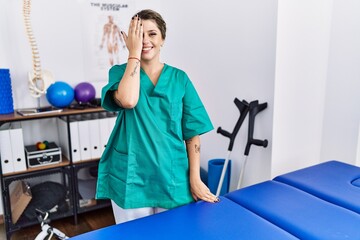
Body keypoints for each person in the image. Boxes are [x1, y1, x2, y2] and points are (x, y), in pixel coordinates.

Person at [96, 9, 218, 224]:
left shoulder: (179, 78)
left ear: (162, 39)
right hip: (131, 176)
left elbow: (192, 132)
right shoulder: (119, 73)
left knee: (173, 233)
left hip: (172, 175)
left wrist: (195, 178)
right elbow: (128, 100)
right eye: (139, 34)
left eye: (152, 34)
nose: (145, 40)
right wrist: (133, 54)